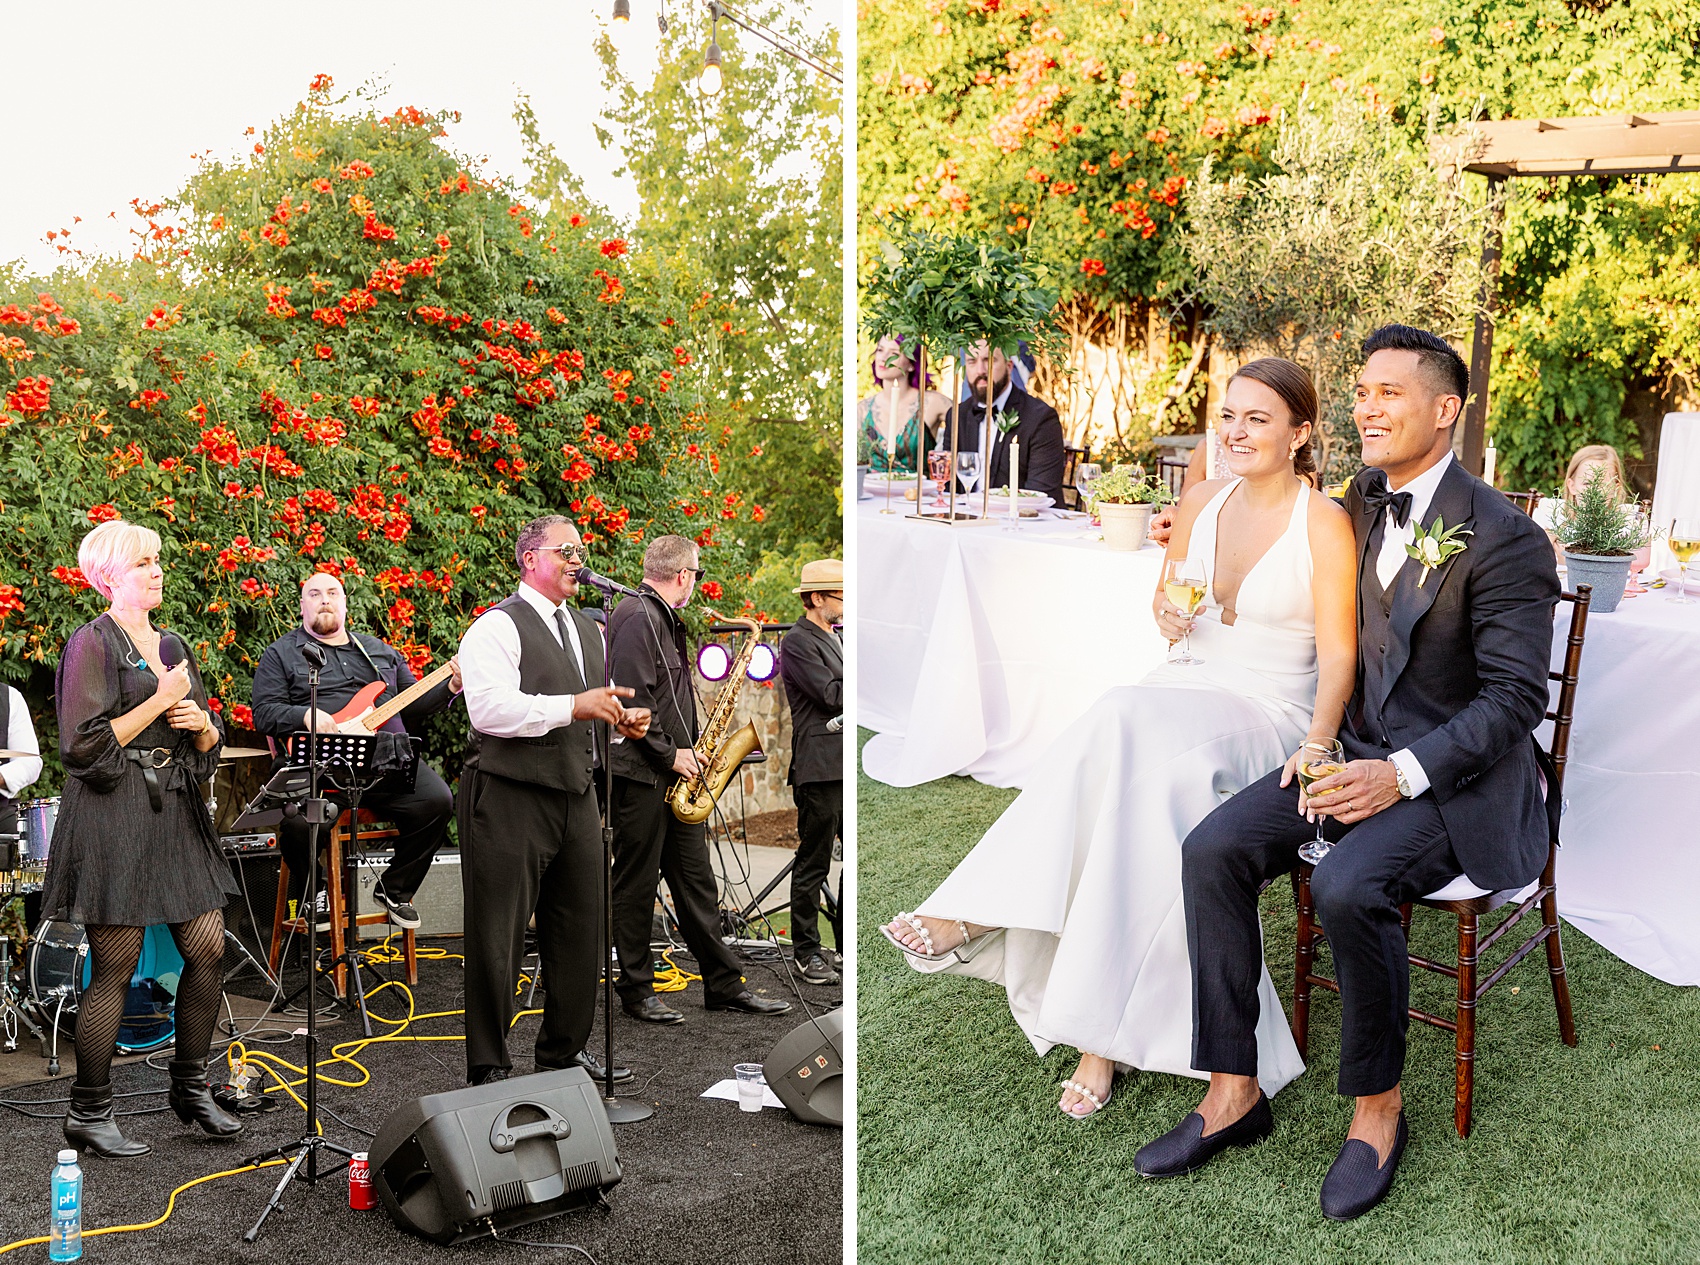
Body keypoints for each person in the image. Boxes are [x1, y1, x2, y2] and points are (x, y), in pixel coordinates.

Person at [1136, 325, 1559, 1221]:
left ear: (1445, 411)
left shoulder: (1507, 539)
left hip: (1459, 779)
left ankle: (1377, 1110)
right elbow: (1270, 509)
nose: (1367, 406)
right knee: (1213, 849)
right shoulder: (1361, 498)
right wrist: (1188, 523)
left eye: (1389, 393)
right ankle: (1232, 1087)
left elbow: (1516, 701)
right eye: (1362, 392)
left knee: (1350, 887)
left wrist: (1398, 775)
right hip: (1349, 753)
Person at [882, 357, 1356, 1119]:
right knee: (1134, 782)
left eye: (1257, 418)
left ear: (1300, 433)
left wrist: (1320, 742)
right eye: (1227, 415)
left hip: (1270, 712)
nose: (1235, 431)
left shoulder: (1323, 521)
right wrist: (1169, 617)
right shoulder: (1200, 499)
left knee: (1119, 716)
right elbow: (1169, 604)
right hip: (1185, 685)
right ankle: (1098, 1037)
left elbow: (1340, 657)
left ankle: (982, 911)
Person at [43, 520, 243, 1156]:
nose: (157, 571)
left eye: (158, 560)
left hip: (175, 810)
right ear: (109, 576)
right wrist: (161, 702)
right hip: (112, 816)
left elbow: (206, 740)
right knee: (116, 967)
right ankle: (88, 1110)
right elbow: (84, 747)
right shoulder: (91, 644)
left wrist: (200, 724)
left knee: (207, 947)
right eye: (143, 563)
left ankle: (190, 1087)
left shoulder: (173, 644)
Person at [456, 515, 653, 1085]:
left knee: (583, 929)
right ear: (529, 558)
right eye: (565, 549)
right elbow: (489, 710)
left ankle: (563, 1054)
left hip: (577, 792)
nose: (577, 558)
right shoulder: (495, 627)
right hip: (510, 796)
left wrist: (621, 723)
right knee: (498, 934)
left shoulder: (590, 629)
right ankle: (489, 1065)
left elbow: (590, 710)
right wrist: (575, 706)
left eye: (581, 548)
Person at [607, 535, 791, 1025]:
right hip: (643, 777)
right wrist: (672, 756)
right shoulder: (633, 617)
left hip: (674, 776)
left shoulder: (665, 621)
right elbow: (630, 701)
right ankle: (636, 990)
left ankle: (724, 985)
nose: (697, 584)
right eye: (698, 574)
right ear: (684, 575)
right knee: (636, 885)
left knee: (696, 883)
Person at [250, 571, 462, 931]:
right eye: (314, 594)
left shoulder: (379, 652)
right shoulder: (281, 654)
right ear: (302, 606)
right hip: (318, 761)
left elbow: (412, 703)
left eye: (333, 593)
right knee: (300, 821)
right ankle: (312, 891)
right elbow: (263, 713)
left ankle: (395, 889)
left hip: (384, 760)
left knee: (437, 801)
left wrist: (452, 685)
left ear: (346, 603)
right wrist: (306, 714)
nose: (325, 600)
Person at [779, 559, 844, 986]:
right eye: (841, 595)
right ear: (816, 598)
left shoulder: (836, 638)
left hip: (839, 767)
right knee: (813, 862)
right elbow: (830, 694)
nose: (847, 603)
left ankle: (840, 947)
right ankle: (805, 951)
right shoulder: (797, 641)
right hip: (818, 769)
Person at [958, 340, 1067, 505]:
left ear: (1009, 366)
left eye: (989, 360)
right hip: (968, 521)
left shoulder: (1041, 419)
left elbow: (1040, 493)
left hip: (1025, 523)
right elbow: (948, 487)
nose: (981, 370)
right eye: (972, 362)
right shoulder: (958, 415)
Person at [859, 334, 951, 474]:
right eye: (880, 350)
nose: (883, 358)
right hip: (873, 492)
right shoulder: (862, 410)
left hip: (918, 492)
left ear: (911, 364)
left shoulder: (932, 403)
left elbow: (970, 423)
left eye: (894, 353)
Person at [0, 679, 44, 842]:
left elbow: (30, 761)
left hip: (1, 812)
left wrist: (2, 776)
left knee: (23, 841)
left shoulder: (9, 698)